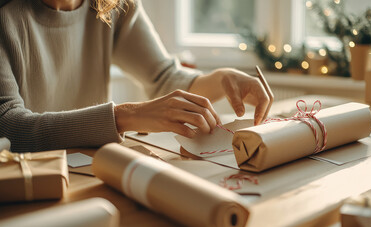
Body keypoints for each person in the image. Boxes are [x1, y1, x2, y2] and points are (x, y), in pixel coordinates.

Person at [0, 0, 272, 152]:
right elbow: (9, 126)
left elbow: (163, 77)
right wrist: (126, 116)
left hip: (95, 170)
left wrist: (222, 79)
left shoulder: (113, 4)